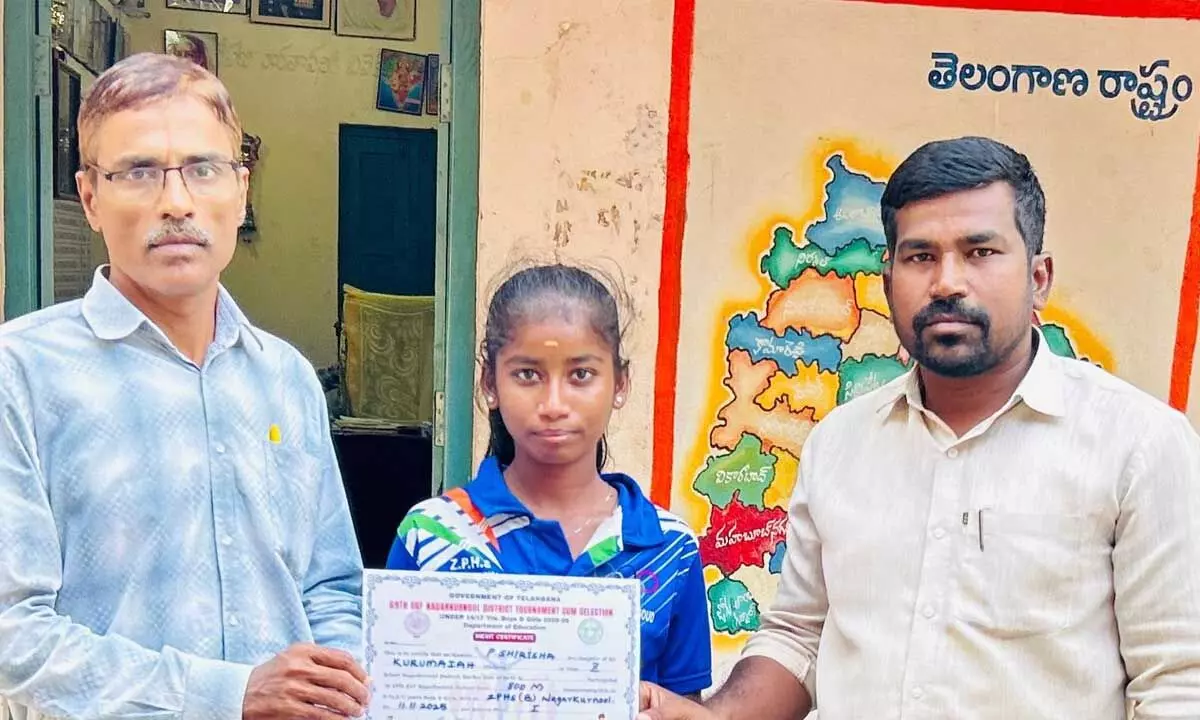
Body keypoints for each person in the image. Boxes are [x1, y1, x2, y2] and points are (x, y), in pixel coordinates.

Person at [637, 136, 1200, 720]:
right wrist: (712, 718)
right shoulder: (840, 443)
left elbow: (1178, 682)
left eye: (980, 252)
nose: (947, 282)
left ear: (1039, 278)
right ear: (887, 282)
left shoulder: (1139, 446)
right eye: (920, 256)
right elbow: (801, 636)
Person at [0, 53, 369, 720]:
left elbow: (331, 590)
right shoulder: (21, 375)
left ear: (241, 190)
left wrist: (339, 690)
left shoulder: (285, 379)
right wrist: (228, 694)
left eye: (203, 168)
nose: (176, 202)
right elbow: (12, 636)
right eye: (138, 172)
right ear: (90, 197)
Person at [386, 264, 713, 699]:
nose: (554, 404)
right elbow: (397, 693)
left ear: (620, 383)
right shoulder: (432, 534)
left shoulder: (669, 547)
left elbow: (682, 707)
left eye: (581, 375)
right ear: (490, 383)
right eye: (528, 374)